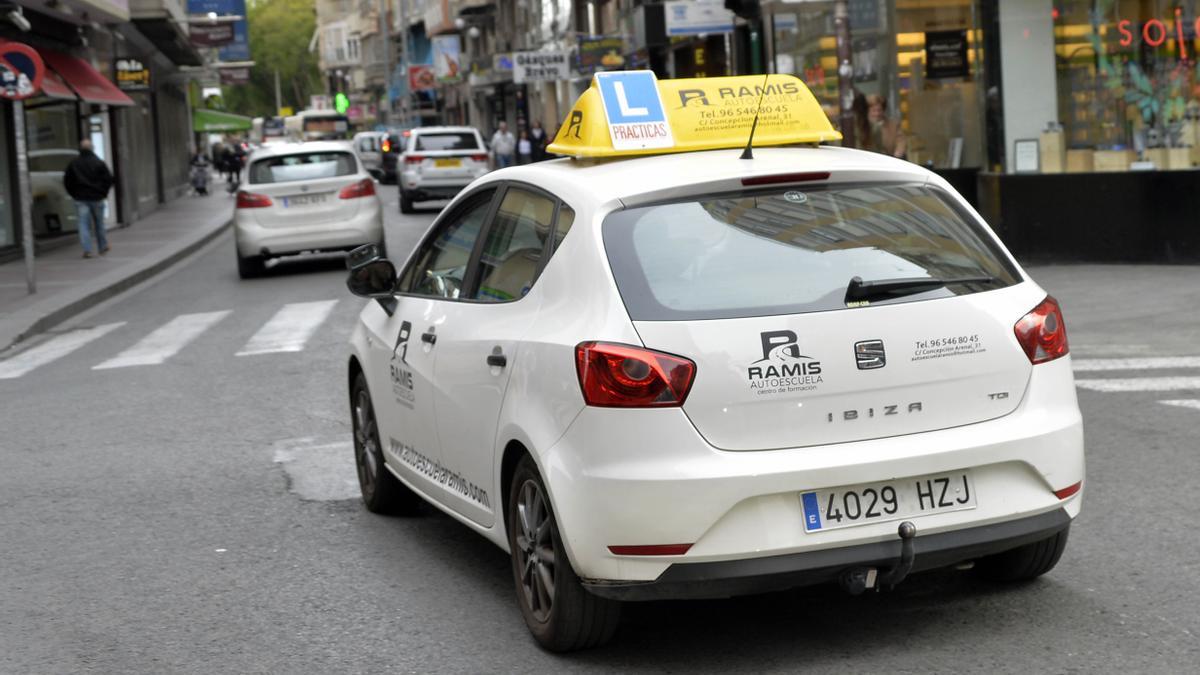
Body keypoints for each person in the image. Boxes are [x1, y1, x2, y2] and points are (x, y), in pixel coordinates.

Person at [62, 139, 114, 259]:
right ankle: (102, 246)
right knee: (99, 223)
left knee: (83, 224)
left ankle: (87, 249)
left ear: (80, 149)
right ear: (92, 148)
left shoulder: (74, 163)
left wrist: (73, 194)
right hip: (96, 197)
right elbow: (109, 179)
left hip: (80, 198)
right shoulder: (99, 163)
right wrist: (103, 193)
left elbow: (67, 181)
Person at [863, 94, 907, 159]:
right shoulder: (862, 127)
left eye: (879, 110)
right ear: (867, 111)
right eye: (873, 110)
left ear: (883, 110)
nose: (877, 114)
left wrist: (897, 155)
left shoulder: (893, 125)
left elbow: (901, 142)